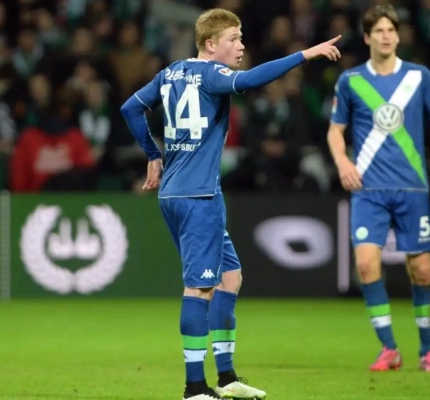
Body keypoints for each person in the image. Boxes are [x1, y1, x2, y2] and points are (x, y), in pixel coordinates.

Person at [120, 8, 341, 400]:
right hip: (197, 196)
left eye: (240, 38)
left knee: (229, 277)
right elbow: (250, 80)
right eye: (233, 39)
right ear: (210, 44)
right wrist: (305, 54)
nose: (240, 46)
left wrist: (153, 154)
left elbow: (130, 107)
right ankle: (194, 387)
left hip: (178, 191)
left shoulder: (171, 72)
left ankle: (226, 378)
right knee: (199, 288)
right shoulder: (212, 73)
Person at [327, 5, 430, 373]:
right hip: (368, 189)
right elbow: (335, 131)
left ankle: (427, 352)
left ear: (398, 35)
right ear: (367, 37)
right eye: (379, 31)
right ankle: (389, 348)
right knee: (365, 265)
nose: (386, 36)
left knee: (421, 270)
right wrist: (342, 162)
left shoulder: (418, 76)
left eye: (391, 30)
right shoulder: (351, 81)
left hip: (411, 189)